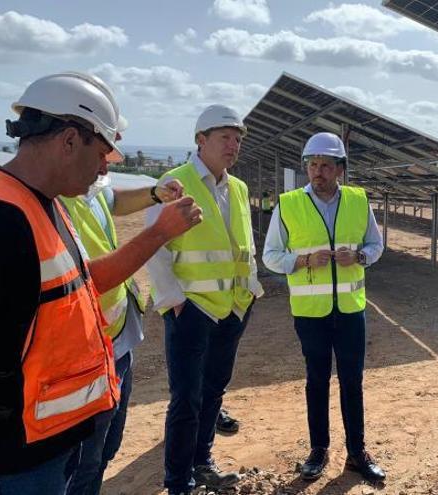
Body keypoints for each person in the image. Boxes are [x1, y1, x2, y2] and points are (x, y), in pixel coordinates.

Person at [0, 72, 201, 495]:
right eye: (102, 154)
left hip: (44, 445)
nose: (103, 170)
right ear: (70, 140)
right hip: (8, 463)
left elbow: (77, 287)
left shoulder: (46, 203)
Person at [146, 104, 264, 495]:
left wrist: (250, 293)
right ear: (201, 140)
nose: (234, 145)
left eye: (238, 139)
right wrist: (174, 301)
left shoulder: (239, 188)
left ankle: (202, 462)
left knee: (214, 391)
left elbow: (240, 247)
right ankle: (179, 481)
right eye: (225, 137)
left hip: (232, 308)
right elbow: (156, 247)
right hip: (191, 310)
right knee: (187, 399)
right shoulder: (175, 182)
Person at [262, 132, 386, 483]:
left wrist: (360, 256)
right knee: (316, 380)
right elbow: (270, 256)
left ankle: (357, 453)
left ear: (340, 170)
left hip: (350, 311)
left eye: (325, 166)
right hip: (311, 313)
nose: (317, 172)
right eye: (312, 165)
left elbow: (376, 245)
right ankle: (318, 450)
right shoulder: (288, 204)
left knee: (352, 381)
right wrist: (302, 260)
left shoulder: (359, 201)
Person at [60, 176, 184, 495]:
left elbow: (111, 199)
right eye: (103, 149)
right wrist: (158, 233)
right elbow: (84, 280)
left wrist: (154, 193)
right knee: (82, 463)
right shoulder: (53, 201)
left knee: (106, 448)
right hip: (86, 350)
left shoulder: (90, 186)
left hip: (117, 339)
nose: (107, 161)